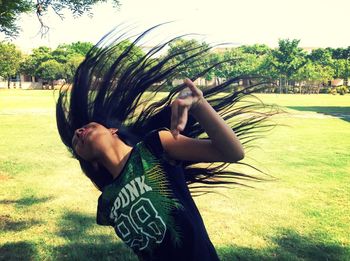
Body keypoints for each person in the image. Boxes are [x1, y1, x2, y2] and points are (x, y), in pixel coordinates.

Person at [56, 25, 276, 260]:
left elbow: (232, 152)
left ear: (112, 130)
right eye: (75, 140)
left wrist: (199, 106)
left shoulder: (155, 147)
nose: (79, 132)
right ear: (89, 162)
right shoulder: (106, 204)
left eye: (87, 126)